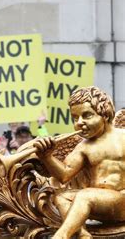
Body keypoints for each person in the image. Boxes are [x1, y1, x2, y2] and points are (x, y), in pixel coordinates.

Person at [33, 86, 125, 238]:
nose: (80, 122)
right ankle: (82, 234)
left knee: (84, 196)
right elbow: (64, 175)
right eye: (75, 118)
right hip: (100, 204)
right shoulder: (83, 147)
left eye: (87, 115)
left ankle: (61, 236)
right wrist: (47, 157)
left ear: (105, 114)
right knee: (62, 197)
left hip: (121, 201)